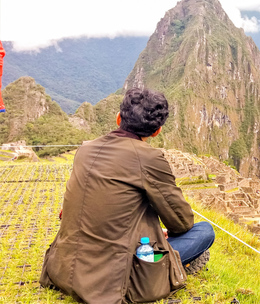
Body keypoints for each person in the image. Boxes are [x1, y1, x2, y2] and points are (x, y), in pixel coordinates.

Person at [40, 88, 215, 303]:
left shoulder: (85, 149)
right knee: (204, 231)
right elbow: (181, 222)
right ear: (156, 131)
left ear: (118, 118)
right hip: (113, 280)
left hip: (63, 267)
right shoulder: (149, 158)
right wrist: (162, 231)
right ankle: (170, 265)